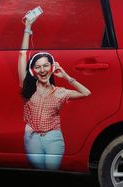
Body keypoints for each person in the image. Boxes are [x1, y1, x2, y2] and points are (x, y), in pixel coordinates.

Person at [18, 13, 91, 170]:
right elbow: (22, 54)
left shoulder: (60, 92)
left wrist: (65, 75)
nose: (42, 70)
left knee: (52, 172)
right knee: (39, 173)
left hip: (53, 138)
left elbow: (86, 93)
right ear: (32, 71)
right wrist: (28, 27)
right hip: (32, 139)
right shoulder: (28, 86)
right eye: (38, 66)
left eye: (46, 66)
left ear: (52, 67)